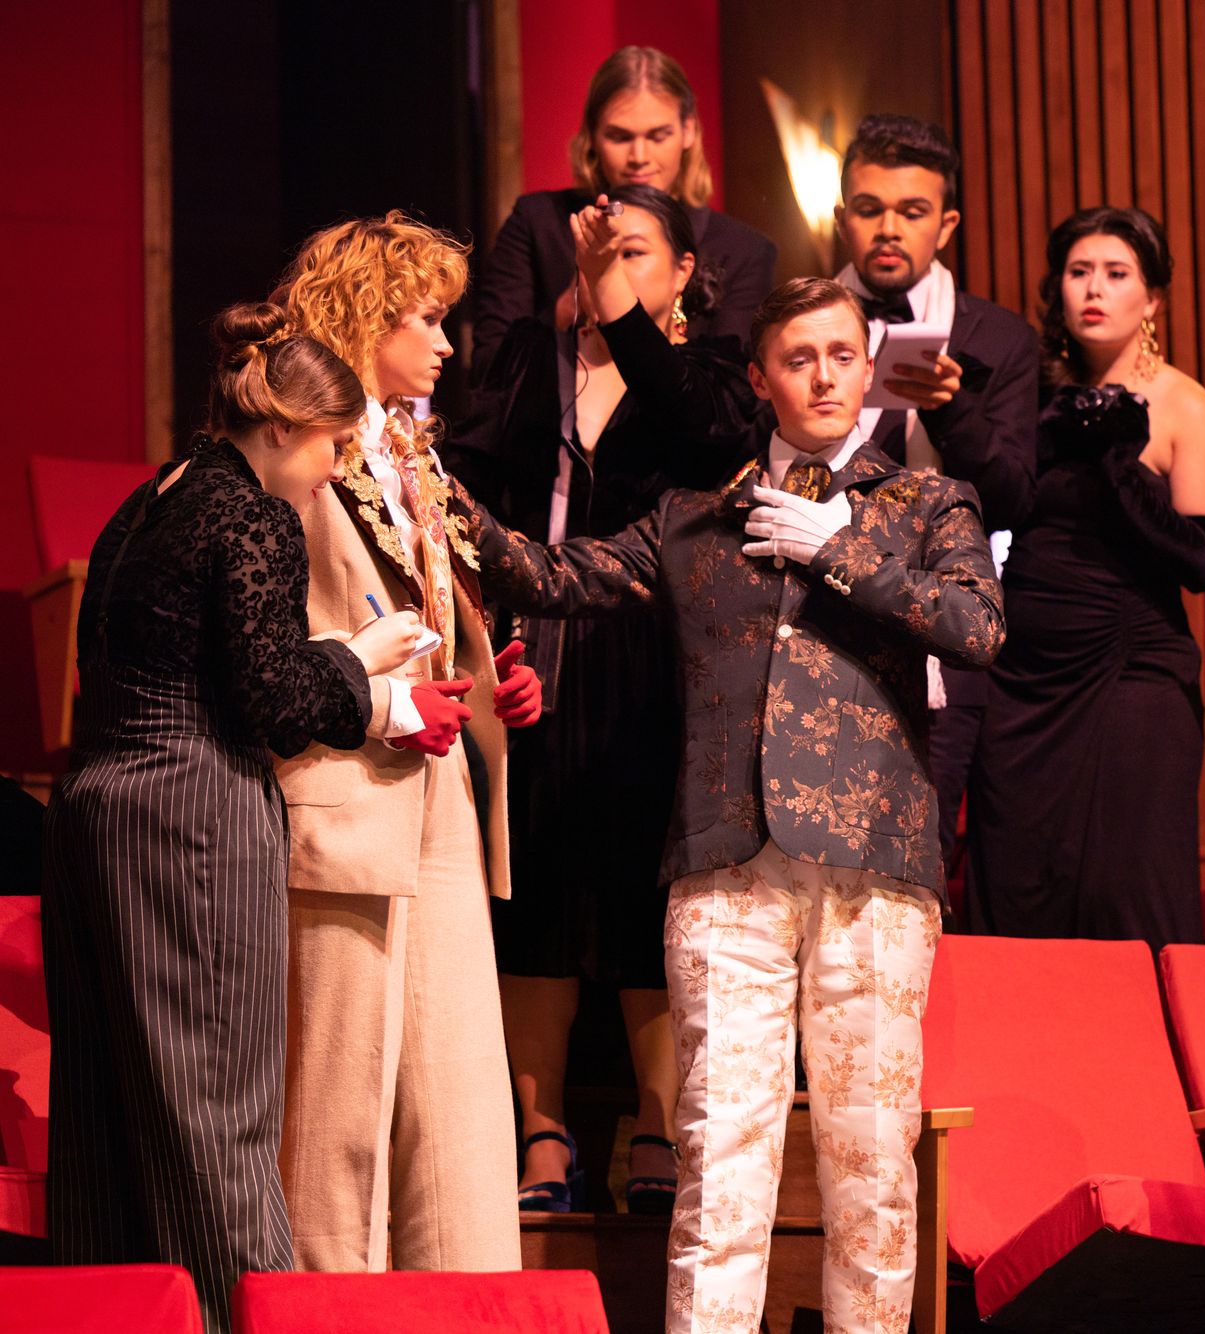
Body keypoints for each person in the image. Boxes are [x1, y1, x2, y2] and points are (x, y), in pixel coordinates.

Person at [460, 277, 1003, 1332]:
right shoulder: (694, 515)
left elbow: (978, 629)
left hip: (872, 867)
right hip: (725, 861)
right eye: (799, 358)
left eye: (842, 355)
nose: (825, 377)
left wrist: (832, 548)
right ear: (759, 378)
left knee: (869, 1158)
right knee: (720, 1154)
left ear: (867, 365)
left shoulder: (927, 503)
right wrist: (432, 501)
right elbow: (551, 572)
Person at [40, 304, 427, 1331]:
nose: (331, 470)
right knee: (216, 1111)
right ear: (286, 430)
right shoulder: (252, 513)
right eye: (333, 445)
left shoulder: (150, 496)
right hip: (188, 812)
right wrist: (358, 662)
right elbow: (274, 702)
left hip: (96, 805)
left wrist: (344, 658)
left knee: (110, 1122)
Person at [444, 186, 759, 1216]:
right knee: (532, 885)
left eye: (631, 251)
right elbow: (476, 484)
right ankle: (540, 1127)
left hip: (649, 648)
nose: (605, 267)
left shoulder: (703, 371)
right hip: (530, 645)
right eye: (591, 254)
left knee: (639, 888)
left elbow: (706, 442)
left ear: (678, 277)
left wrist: (619, 317)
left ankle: (656, 1123)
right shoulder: (533, 361)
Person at [273, 213, 543, 1273]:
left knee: (460, 1091)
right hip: (342, 791)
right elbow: (272, 631)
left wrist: (487, 687)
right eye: (426, 318)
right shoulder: (294, 447)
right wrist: (386, 700)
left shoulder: (408, 454)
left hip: (436, 789)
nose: (446, 344)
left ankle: (466, 1303)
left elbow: (440, 609)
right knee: (341, 1110)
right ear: (358, 316)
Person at [966, 206, 1205, 949]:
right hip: (1021, 678)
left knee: (1125, 891)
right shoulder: (1031, 393)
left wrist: (1120, 461)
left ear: (1152, 301)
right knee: (1019, 888)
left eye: (1117, 275)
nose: (1094, 289)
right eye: (1079, 272)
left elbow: (1201, 560)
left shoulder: (1183, 402)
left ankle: (1137, 1062)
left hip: (1130, 676)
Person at [832, 114, 1039, 868]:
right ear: (842, 217)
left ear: (946, 223)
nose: (889, 228)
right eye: (870, 208)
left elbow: (1013, 499)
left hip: (943, 639)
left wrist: (953, 412)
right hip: (812, 617)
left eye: (912, 212)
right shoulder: (799, 324)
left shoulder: (996, 336)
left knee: (913, 863)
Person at [471, 45, 777, 374]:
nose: (639, 156)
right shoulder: (538, 222)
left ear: (688, 131)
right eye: (620, 137)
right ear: (591, 135)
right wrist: (568, 307)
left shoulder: (743, 250)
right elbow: (487, 367)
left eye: (658, 136)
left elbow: (736, 393)